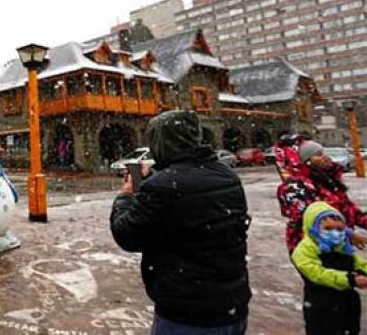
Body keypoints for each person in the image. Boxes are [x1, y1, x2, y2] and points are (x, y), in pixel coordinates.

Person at [110, 110, 251, 334]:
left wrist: (127, 194)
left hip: (188, 313)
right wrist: (157, 178)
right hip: (232, 303)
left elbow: (126, 234)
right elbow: (189, 196)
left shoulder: (162, 187)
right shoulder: (226, 175)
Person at [277, 139, 367, 254]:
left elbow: (350, 211)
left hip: (338, 247)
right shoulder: (294, 186)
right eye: (318, 155)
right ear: (306, 161)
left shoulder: (329, 182)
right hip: (312, 251)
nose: (326, 157)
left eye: (324, 153)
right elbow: (310, 220)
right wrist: (348, 234)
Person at [291, 201, 367, 334]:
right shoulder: (304, 250)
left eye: (339, 229)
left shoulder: (341, 247)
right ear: (313, 227)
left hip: (347, 306)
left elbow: (358, 263)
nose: (335, 233)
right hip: (322, 307)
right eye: (328, 229)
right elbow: (317, 274)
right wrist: (349, 279)